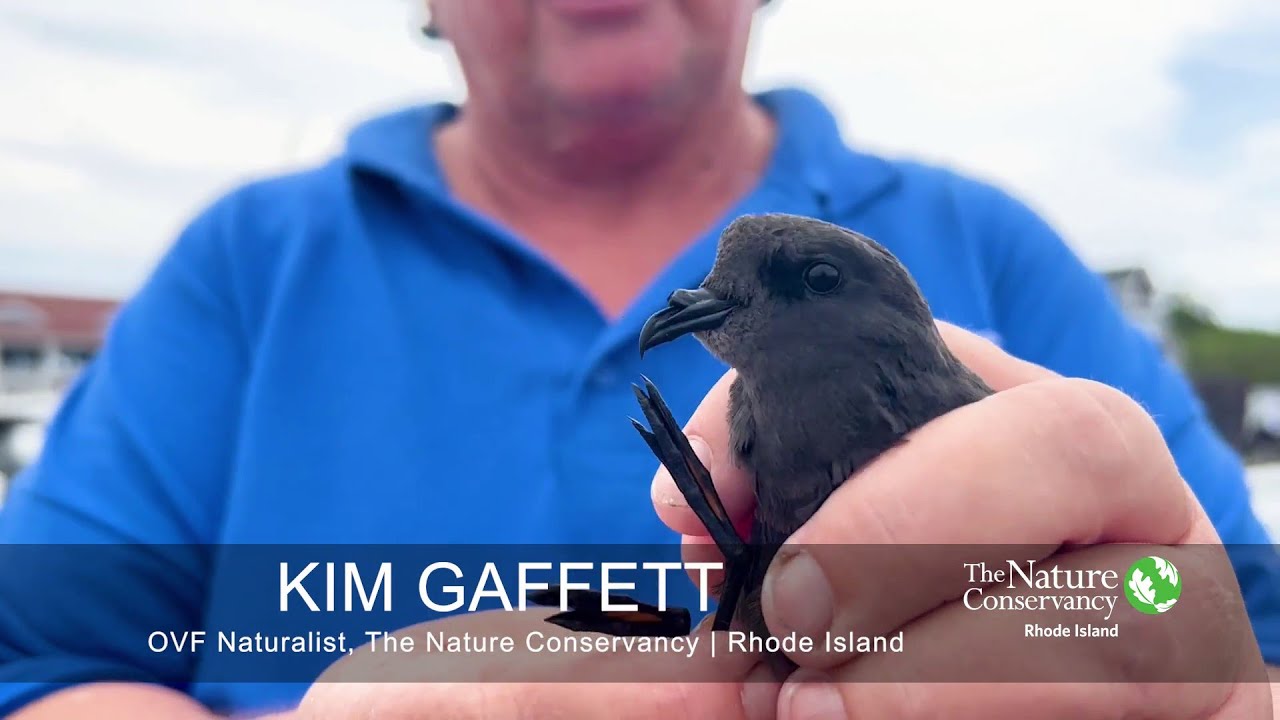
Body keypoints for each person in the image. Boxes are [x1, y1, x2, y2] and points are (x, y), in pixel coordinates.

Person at [2, 0, 1277, 717]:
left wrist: (1175, 662)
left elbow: (1232, 638)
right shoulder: (244, 266)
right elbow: (38, 668)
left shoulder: (994, 253)